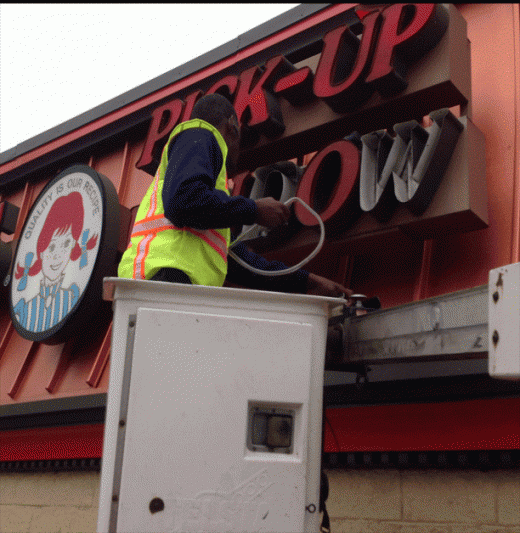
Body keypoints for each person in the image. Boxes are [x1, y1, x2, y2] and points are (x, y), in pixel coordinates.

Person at [118, 93, 352, 299]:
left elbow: (246, 266)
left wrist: (308, 282)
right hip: (164, 280)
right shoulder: (199, 135)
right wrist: (254, 209)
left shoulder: (208, 210)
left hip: (167, 286)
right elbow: (184, 201)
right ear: (232, 124)